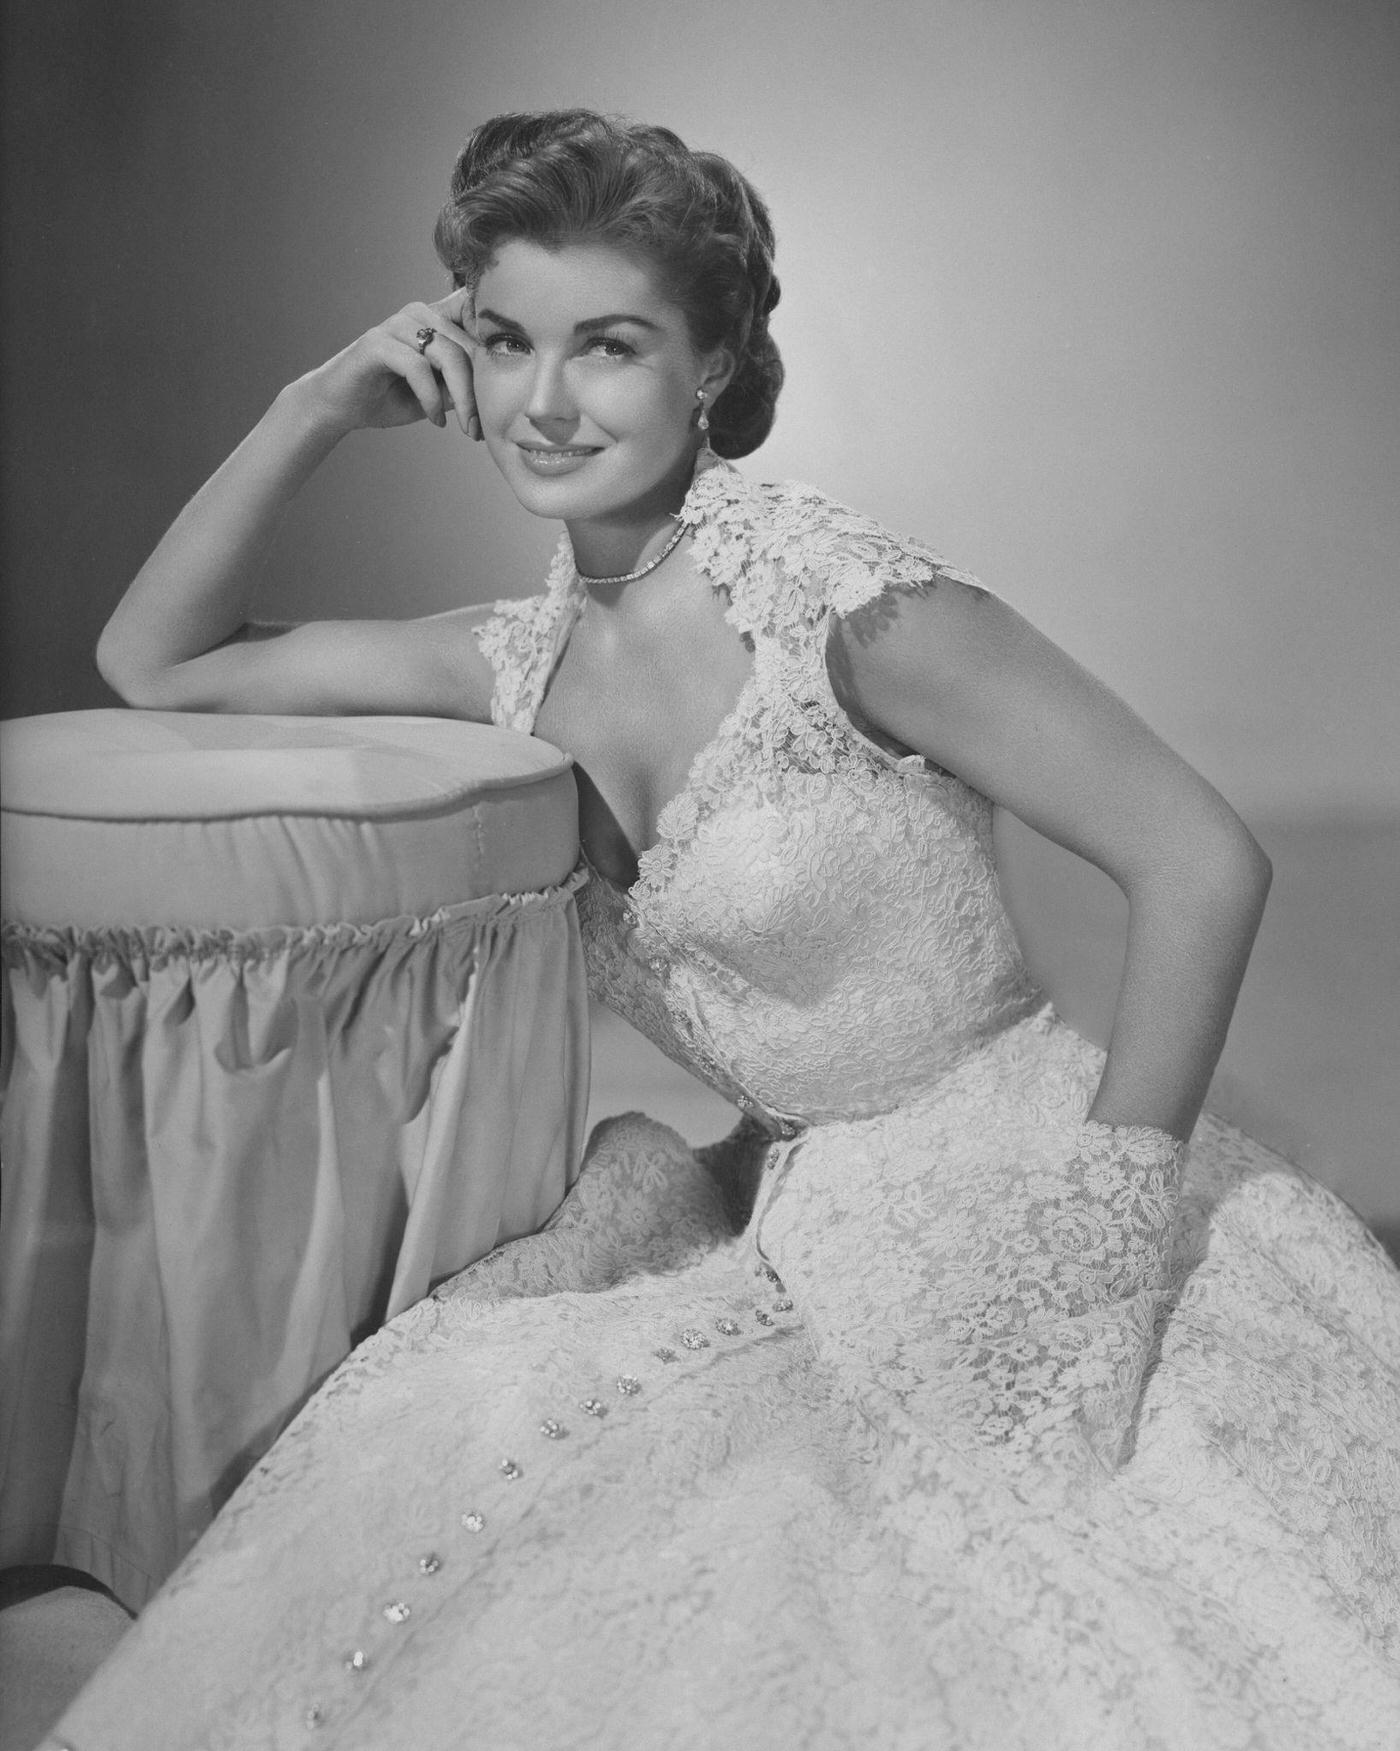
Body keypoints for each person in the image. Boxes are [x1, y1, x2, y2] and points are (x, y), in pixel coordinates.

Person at [66, 110, 1399, 1749]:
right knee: (477, 1474)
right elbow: (159, 659)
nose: (544, 401)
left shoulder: (862, 614)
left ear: (708, 370)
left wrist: (1094, 1237)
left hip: (1020, 1173)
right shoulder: (510, 659)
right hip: (778, 1196)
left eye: (608, 346)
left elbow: (1200, 858)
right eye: (504, 343)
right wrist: (314, 408)